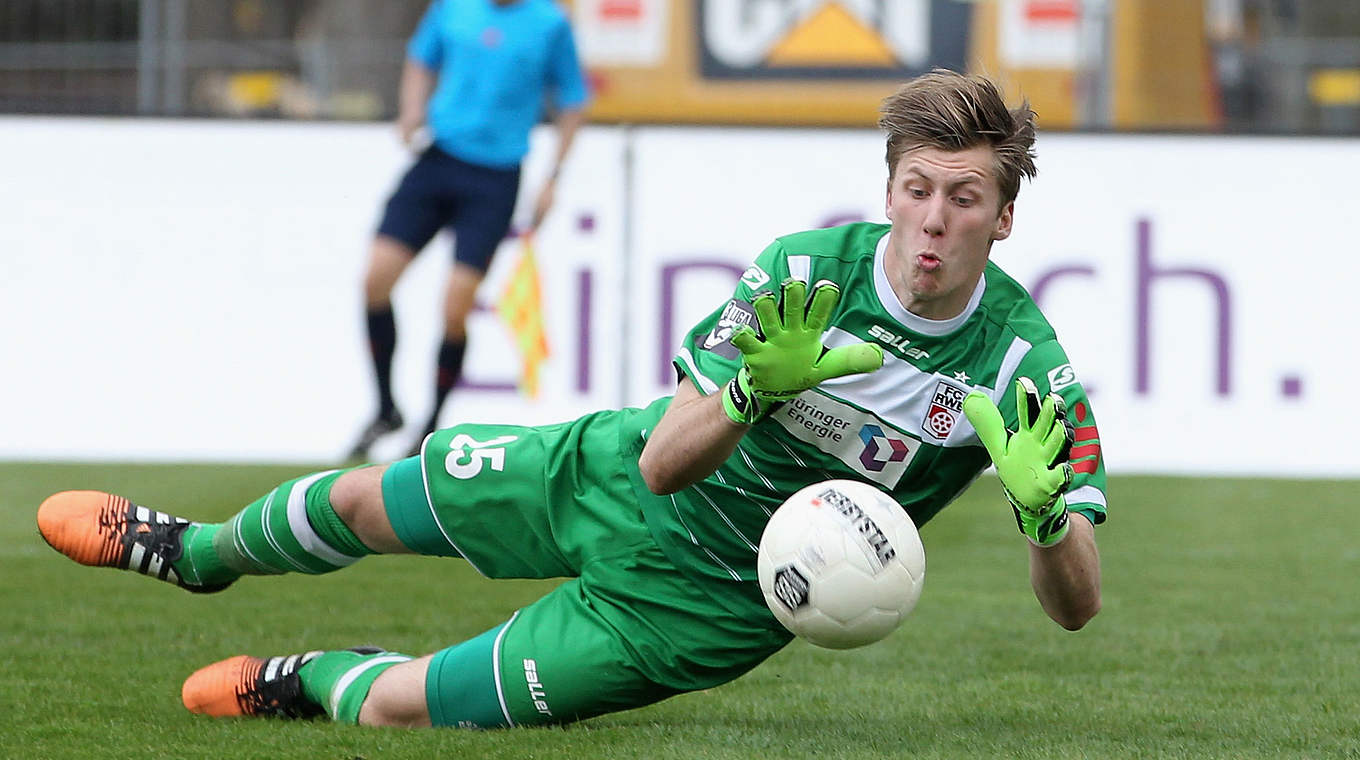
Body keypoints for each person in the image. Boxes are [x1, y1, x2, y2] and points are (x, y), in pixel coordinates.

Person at [37, 70, 1104, 730]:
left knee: (408, 709)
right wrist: (746, 390)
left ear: (1002, 218)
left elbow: (1077, 606)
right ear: (887, 191)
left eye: (963, 199)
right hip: (619, 475)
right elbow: (660, 465)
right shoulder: (803, 272)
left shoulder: (1025, 373)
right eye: (916, 190)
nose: (932, 221)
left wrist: (1044, 517)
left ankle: (317, 677)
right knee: (370, 501)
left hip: (701, 610)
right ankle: (198, 552)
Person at [349, 0, 590, 460]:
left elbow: (573, 100)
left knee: (455, 306)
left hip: (495, 178)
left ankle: (430, 427)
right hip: (439, 159)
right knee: (375, 280)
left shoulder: (549, 24)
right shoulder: (453, 8)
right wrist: (411, 109)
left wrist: (553, 177)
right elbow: (422, 58)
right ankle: (385, 408)